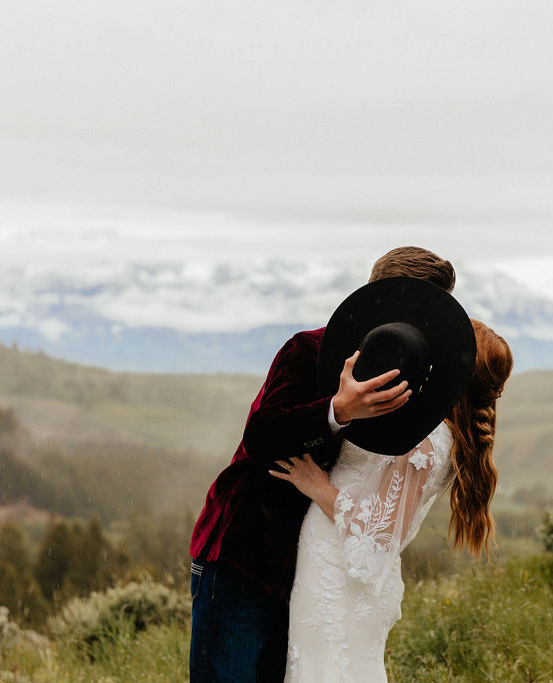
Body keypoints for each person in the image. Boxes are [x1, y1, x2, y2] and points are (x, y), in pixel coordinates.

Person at [188, 247, 456, 682]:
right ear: (380, 298)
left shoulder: (413, 381)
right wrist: (338, 410)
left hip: (309, 575)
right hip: (244, 558)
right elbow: (261, 436)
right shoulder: (309, 350)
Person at [270, 319, 513, 681]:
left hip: (340, 579)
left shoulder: (427, 441)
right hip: (333, 572)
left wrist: (318, 486)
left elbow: (377, 537)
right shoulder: (438, 430)